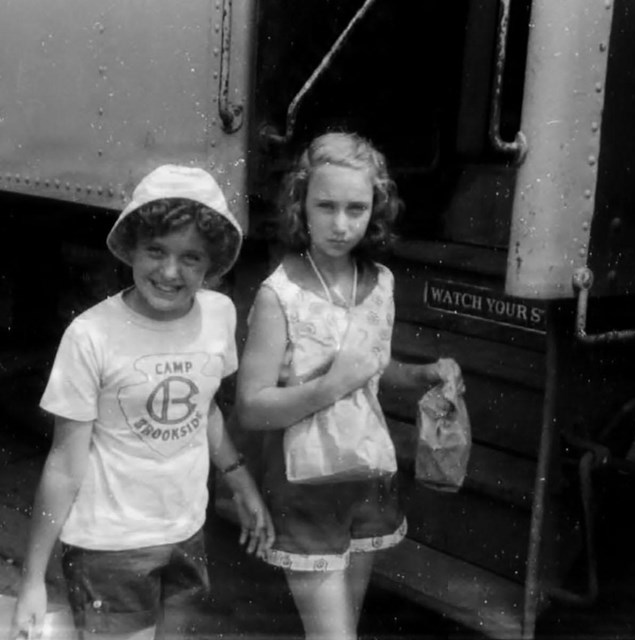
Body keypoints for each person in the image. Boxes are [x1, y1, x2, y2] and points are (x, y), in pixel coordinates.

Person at [10, 164, 274, 640]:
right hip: (108, 548)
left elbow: (205, 408)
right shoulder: (91, 335)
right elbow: (64, 465)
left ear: (211, 263)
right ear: (131, 245)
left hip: (185, 534)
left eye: (191, 258)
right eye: (156, 251)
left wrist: (240, 481)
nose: (170, 272)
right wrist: (32, 578)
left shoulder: (218, 315)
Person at [235, 132, 462, 640]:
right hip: (306, 485)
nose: (341, 224)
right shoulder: (281, 296)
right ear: (301, 204)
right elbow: (251, 407)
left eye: (356, 208)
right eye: (326, 206)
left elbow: (374, 373)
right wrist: (330, 385)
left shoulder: (380, 283)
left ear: (375, 209)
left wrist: (423, 374)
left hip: (366, 476)